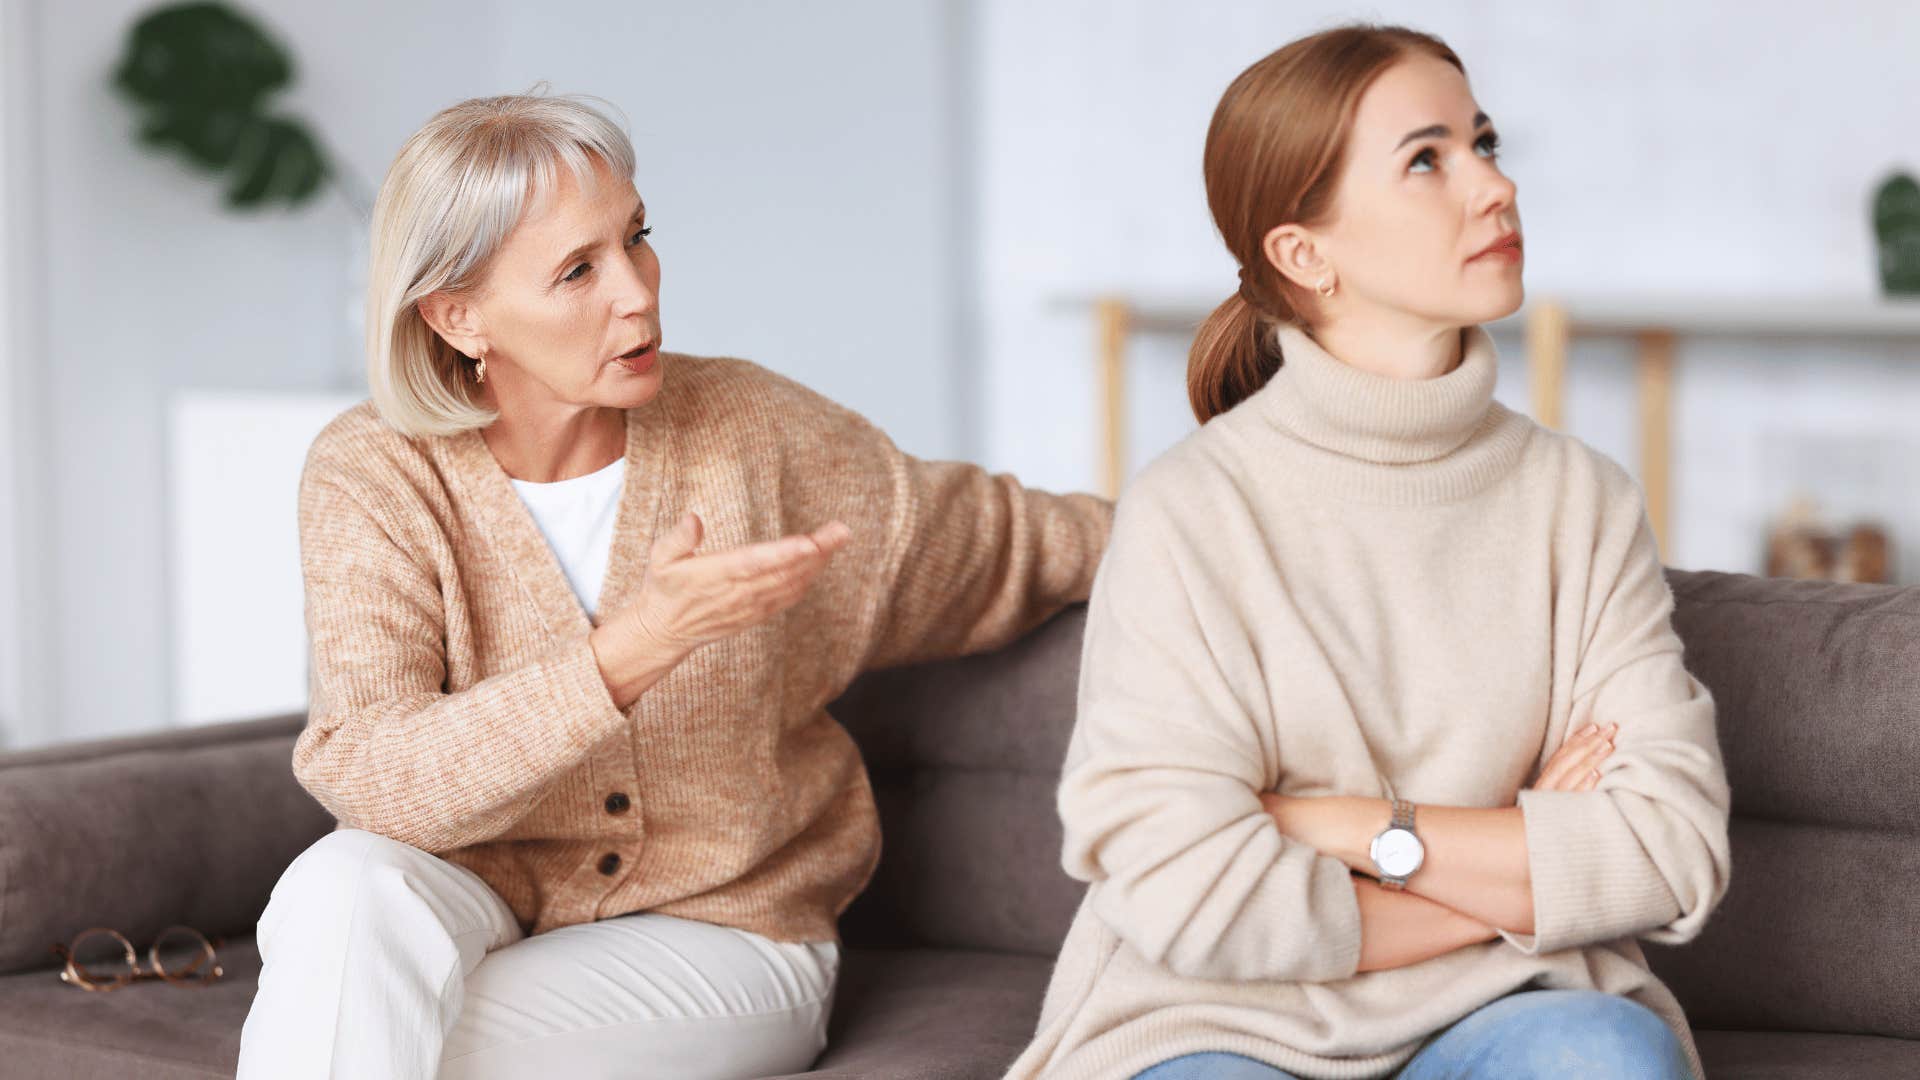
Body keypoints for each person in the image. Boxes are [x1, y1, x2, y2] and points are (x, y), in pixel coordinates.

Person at [234, 91, 1112, 1080]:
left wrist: (1249, 525)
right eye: (577, 270)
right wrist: (633, 648)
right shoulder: (375, 471)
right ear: (458, 314)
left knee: (376, 1032)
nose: (638, 293)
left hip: (725, 933)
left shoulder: (751, 433)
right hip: (472, 903)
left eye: (637, 240)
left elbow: (1009, 541)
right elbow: (369, 773)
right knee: (341, 885)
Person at [1005, 23, 1730, 1080]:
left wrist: (1338, 825)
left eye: (1482, 142)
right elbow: (1190, 889)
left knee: (1610, 1057)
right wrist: (1523, 859)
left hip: (1512, 1012)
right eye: (1428, 160)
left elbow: (1665, 848)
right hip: (1215, 1023)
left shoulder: (1582, 502)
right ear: (1305, 252)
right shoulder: (1191, 514)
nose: (1495, 186)